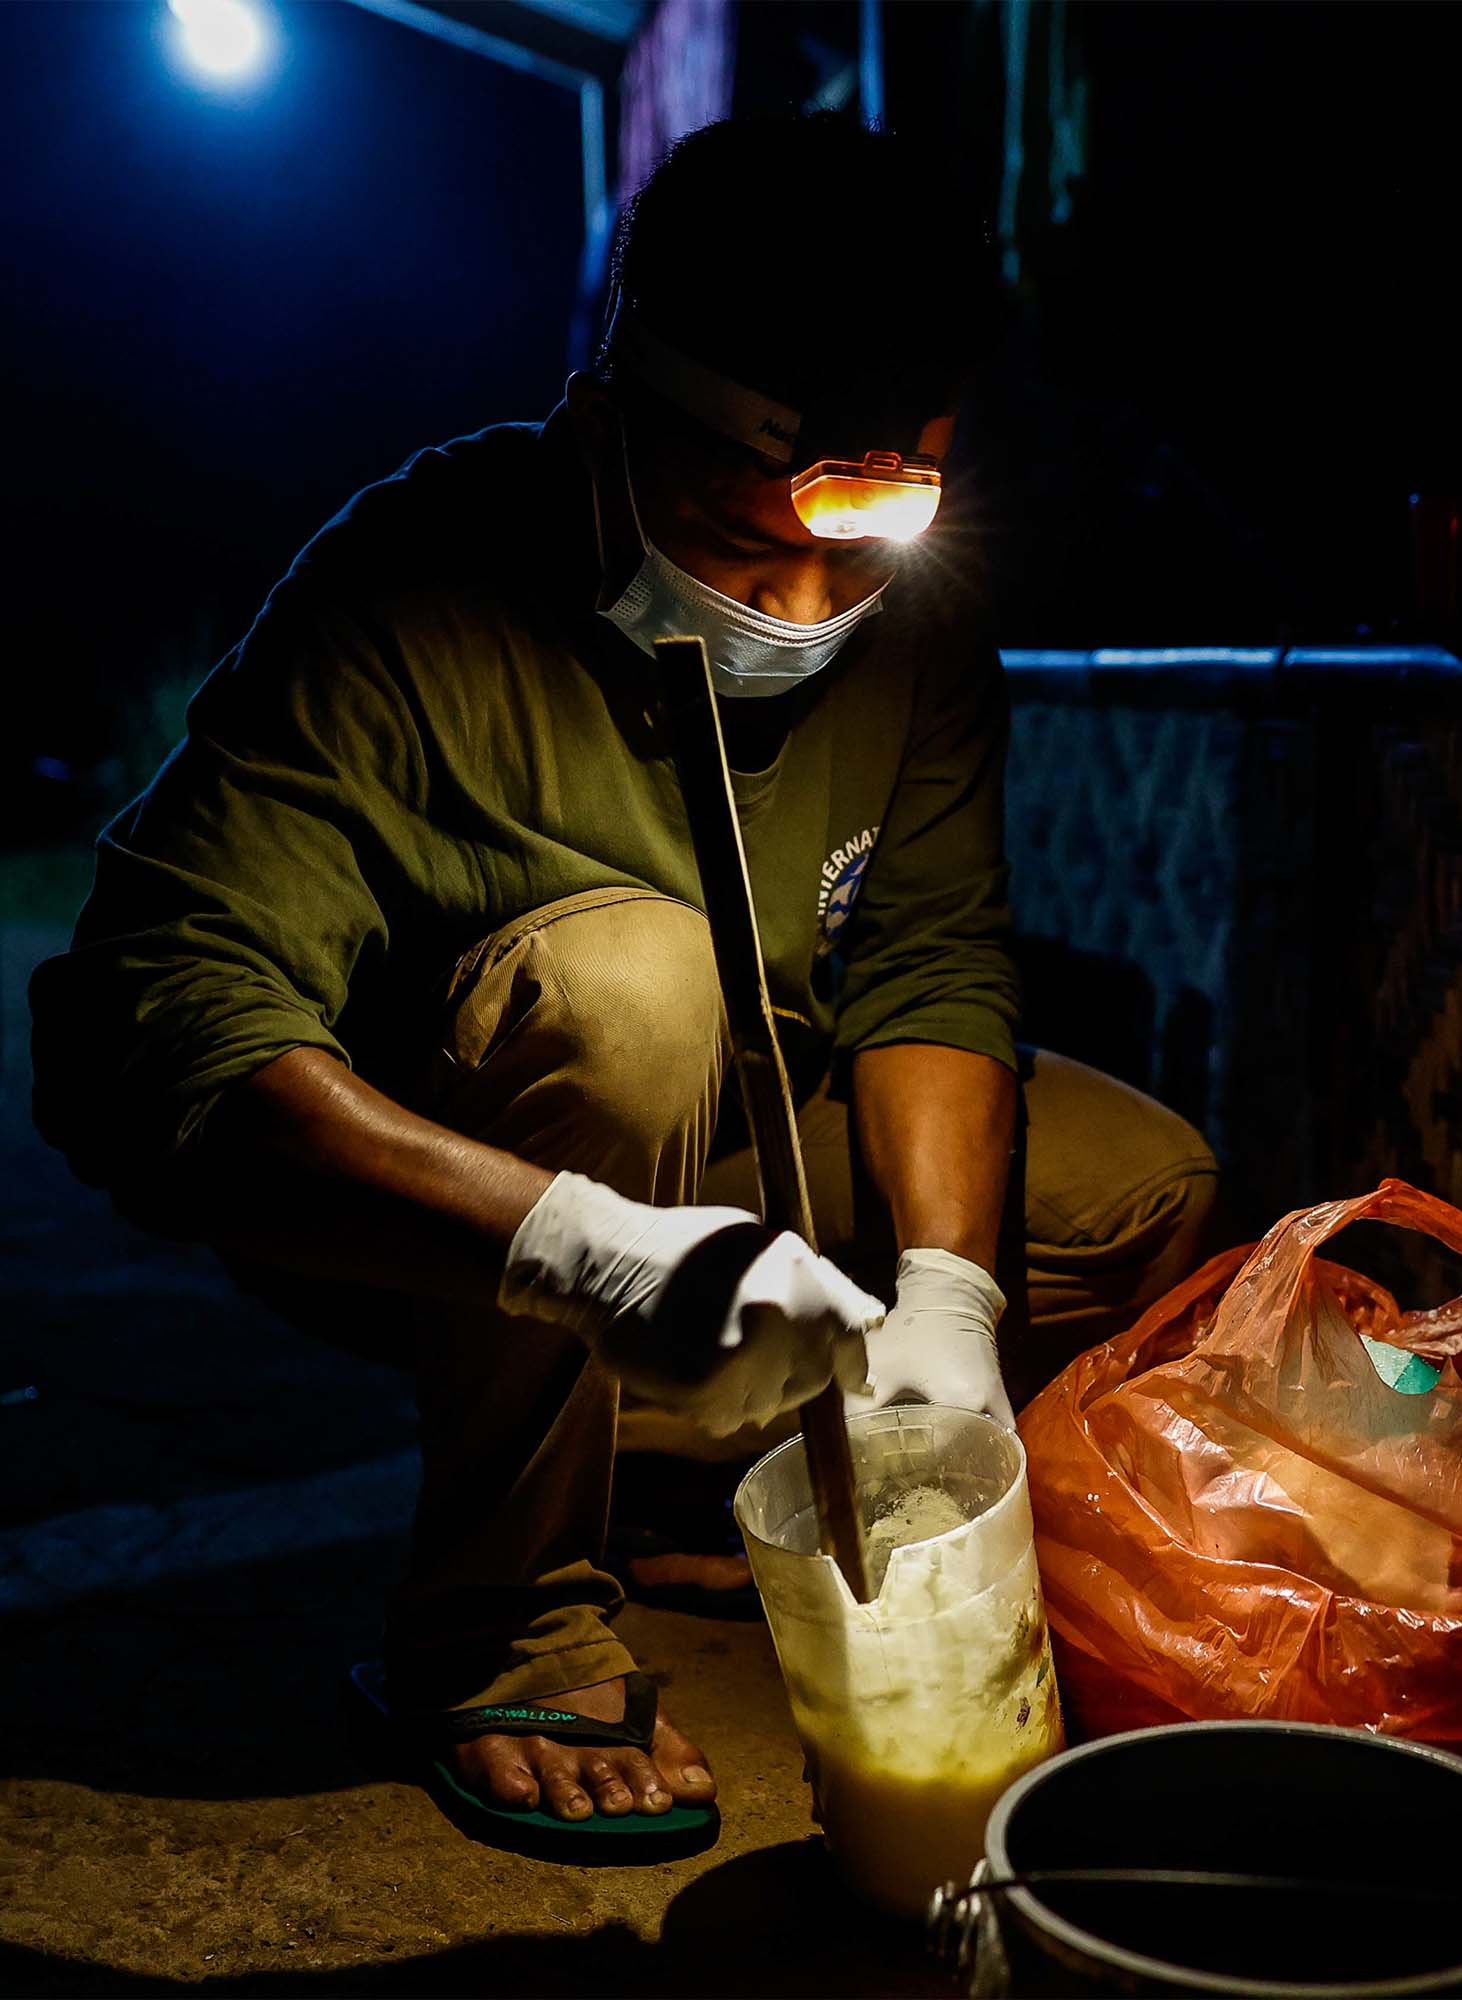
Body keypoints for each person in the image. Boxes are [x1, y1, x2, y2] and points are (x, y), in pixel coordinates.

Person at [30, 113, 1217, 1841]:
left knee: (1143, 1191)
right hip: (438, 1203)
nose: (813, 600)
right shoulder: (423, 585)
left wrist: (950, 1305)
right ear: (614, 420)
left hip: (743, 1163)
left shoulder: (917, 625)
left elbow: (934, 967)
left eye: (870, 541)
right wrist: (581, 1255)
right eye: (755, 544)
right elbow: (142, 1029)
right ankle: (499, 1615)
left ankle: (701, 1468)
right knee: (637, 983)